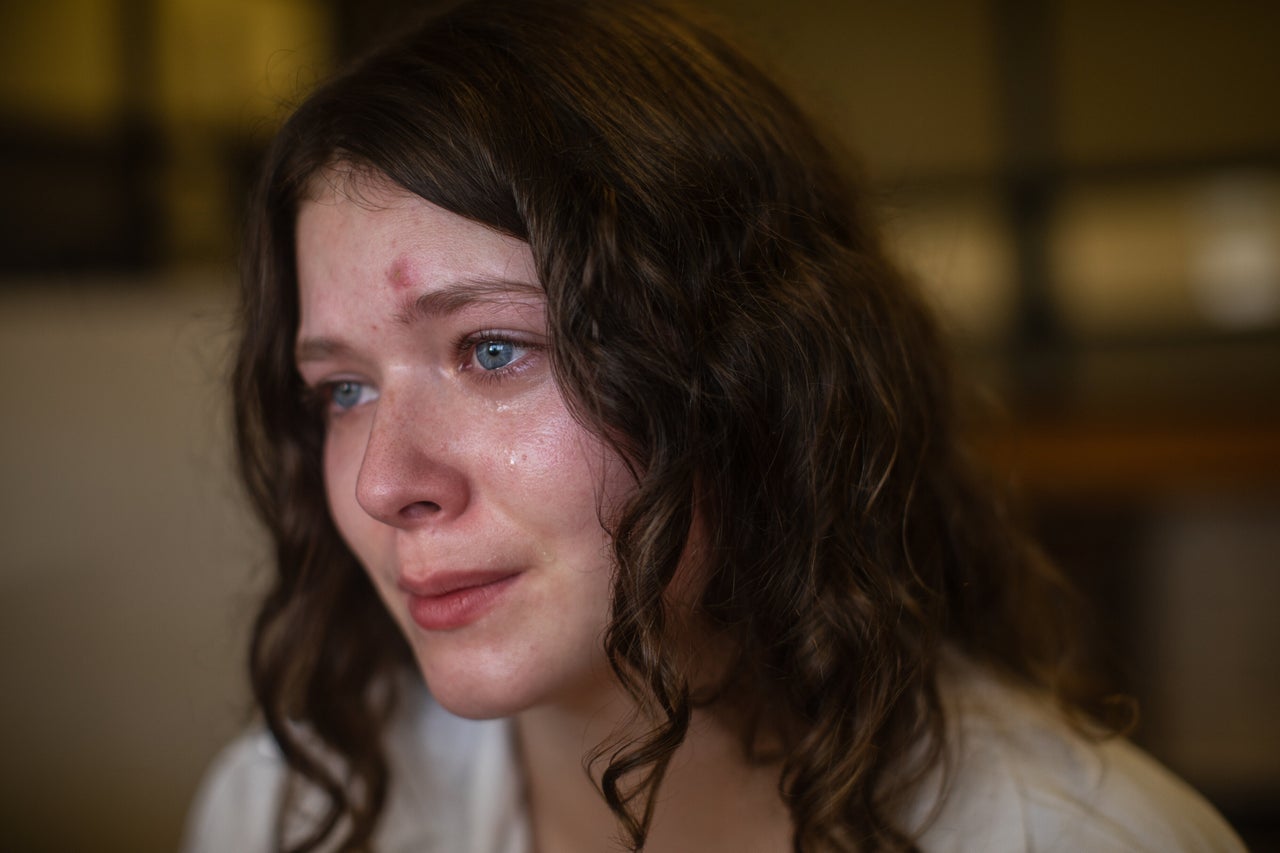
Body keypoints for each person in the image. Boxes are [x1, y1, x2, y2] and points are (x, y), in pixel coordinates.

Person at [183, 1, 1246, 850]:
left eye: (492, 349)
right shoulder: (288, 812)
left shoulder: (1076, 837)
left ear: (747, 368)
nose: (383, 482)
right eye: (342, 390)